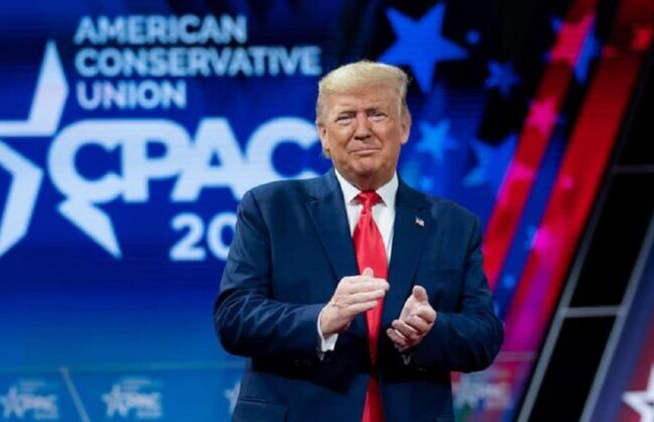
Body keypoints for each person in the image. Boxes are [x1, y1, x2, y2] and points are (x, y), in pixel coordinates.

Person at [214, 61, 503, 422]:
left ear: (404, 127)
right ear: (323, 135)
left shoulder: (454, 224)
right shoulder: (270, 208)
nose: (362, 130)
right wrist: (322, 319)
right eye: (346, 117)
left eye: (377, 114)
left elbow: (484, 335)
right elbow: (234, 317)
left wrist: (432, 330)